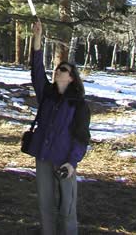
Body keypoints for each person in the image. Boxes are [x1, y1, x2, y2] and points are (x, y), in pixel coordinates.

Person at [27, 20, 90, 235]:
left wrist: (72, 162)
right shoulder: (48, 95)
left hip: (64, 161)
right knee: (45, 205)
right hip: (44, 157)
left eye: (62, 69)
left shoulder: (78, 104)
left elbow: (81, 137)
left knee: (67, 208)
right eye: (56, 68)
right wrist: (37, 38)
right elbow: (36, 70)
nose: (57, 71)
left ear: (71, 78)